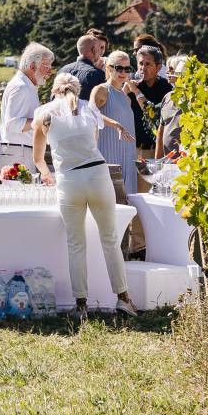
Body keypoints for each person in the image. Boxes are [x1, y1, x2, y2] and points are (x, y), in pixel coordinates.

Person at [33, 72, 138, 322]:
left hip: (69, 180)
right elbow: (93, 142)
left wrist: (47, 174)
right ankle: (124, 299)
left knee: (76, 244)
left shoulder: (44, 114)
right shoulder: (89, 110)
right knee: (110, 240)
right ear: (77, 90)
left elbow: (38, 158)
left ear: (54, 90)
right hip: (98, 176)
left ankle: (81, 304)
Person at [91, 52, 141, 195]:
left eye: (127, 69)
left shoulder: (126, 98)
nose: (123, 72)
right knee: (108, 200)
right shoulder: (101, 90)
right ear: (109, 68)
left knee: (128, 201)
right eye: (119, 68)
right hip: (108, 152)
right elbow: (91, 113)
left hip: (128, 154)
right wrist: (116, 125)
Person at [0, 43, 53, 168]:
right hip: (17, 153)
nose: (50, 71)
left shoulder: (26, 85)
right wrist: (44, 120)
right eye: (47, 66)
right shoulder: (21, 87)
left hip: (18, 151)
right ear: (33, 66)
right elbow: (12, 124)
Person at [60, 31, 107, 100]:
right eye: (99, 48)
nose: (100, 51)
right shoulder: (98, 74)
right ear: (94, 50)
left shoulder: (62, 70)